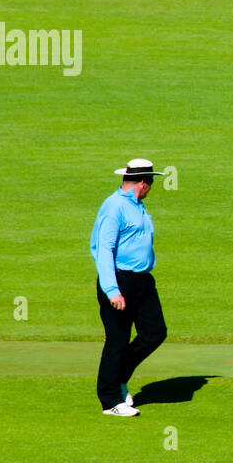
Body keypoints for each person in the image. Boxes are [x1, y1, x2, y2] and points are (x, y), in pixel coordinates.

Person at [90, 159, 168, 416]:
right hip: (119, 279)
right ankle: (110, 400)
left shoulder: (137, 206)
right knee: (118, 340)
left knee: (155, 333)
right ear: (144, 183)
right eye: (151, 183)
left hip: (142, 281)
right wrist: (112, 290)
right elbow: (103, 249)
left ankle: (120, 375)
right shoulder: (114, 207)